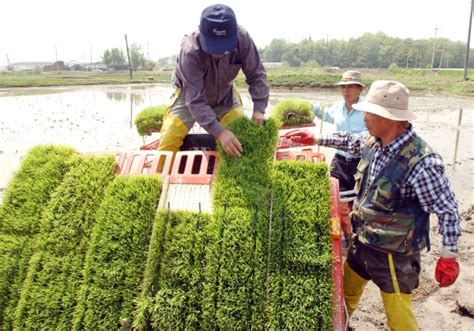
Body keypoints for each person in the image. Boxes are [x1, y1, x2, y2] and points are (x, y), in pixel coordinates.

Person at [316, 80, 461, 330]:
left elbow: (447, 209)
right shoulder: (375, 142)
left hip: (393, 257)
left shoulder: (422, 161)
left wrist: (448, 256)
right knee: (343, 300)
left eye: (370, 113)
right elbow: (349, 141)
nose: (365, 117)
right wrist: (314, 137)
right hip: (362, 245)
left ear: (390, 118)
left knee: (399, 320)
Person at [158, 4, 268, 158]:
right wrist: (220, 132)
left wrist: (259, 110)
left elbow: (256, 74)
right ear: (202, 34)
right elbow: (195, 100)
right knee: (166, 147)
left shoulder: (242, 39)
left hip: (225, 96)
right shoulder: (190, 50)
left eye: (224, 47)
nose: (218, 53)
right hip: (188, 98)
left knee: (239, 140)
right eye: (213, 46)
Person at [312, 70, 367, 240]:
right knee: (338, 204)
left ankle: (356, 237)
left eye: (350, 87)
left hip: (360, 164)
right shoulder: (337, 108)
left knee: (358, 205)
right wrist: (307, 107)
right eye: (343, 87)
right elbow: (325, 115)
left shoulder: (367, 110)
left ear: (360, 89)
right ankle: (346, 237)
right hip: (340, 163)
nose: (346, 91)